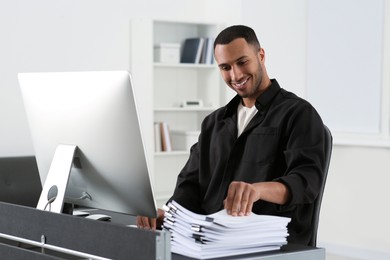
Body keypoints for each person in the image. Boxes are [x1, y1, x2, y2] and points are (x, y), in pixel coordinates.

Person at [137, 25, 326, 246]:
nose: (235, 75)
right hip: (210, 240)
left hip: (268, 243)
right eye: (225, 67)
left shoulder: (298, 113)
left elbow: (306, 181)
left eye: (242, 62)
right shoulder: (214, 123)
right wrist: (167, 214)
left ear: (261, 55)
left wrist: (257, 190)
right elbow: (189, 185)